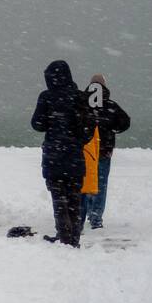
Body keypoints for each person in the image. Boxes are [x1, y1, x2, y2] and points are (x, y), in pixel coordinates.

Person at [30, 60, 96, 246]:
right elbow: (89, 128)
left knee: (59, 200)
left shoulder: (46, 97)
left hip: (54, 157)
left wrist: (53, 125)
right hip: (75, 157)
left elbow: (37, 124)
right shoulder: (80, 97)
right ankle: (73, 237)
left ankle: (64, 237)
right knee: (74, 199)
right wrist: (76, 141)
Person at [81, 73, 130, 229]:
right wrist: (112, 129)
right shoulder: (110, 105)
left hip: (86, 150)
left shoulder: (81, 103)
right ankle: (96, 218)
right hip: (104, 150)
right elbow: (125, 122)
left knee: (85, 182)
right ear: (104, 86)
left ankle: (83, 213)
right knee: (100, 184)